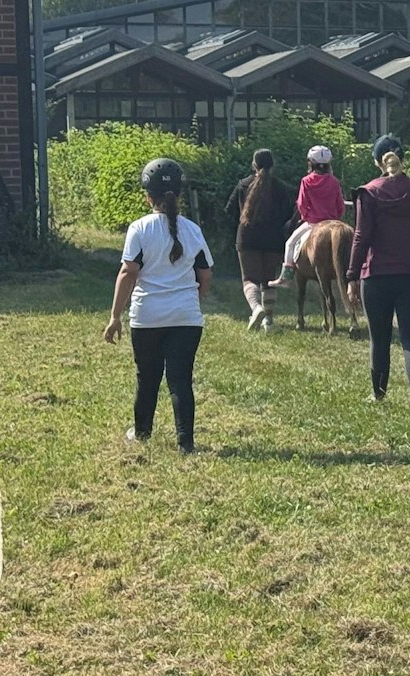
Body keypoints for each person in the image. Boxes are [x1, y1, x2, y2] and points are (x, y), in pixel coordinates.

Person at [105, 158, 212, 454]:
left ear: (146, 196)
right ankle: (185, 443)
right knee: (180, 380)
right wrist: (197, 296)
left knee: (147, 377)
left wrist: (115, 315)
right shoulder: (193, 230)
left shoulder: (139, 229)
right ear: (178, 194)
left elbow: (129, 272)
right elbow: (204, 273)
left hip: (148, 316)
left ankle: (142, 433)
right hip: (186, 317)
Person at [350, 135, 410, 411]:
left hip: (377, 274)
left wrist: (352, 274)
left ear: (378, 162)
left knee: (380, 339)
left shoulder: (369, 192)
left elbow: (362, 235)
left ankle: (378, 394)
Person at [224, 148, 295, 331]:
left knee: (249, 280)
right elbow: (289, 214)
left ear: (254, 165)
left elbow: (229, 210)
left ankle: (256, 309)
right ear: (273, 165)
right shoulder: (281, 188)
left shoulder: (243, 185)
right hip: (273, 239)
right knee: (268, 281)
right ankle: (268, 321)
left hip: (247, 238)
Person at [268, 146, 345, 289]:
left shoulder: (306, 181)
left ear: (311, 163)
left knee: (290, 244)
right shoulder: (334, 182)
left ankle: (286, 277)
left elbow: (302, 205)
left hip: (313, 223)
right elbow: (340, 205)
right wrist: (336, 218)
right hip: (333, 222)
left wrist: (306, 217)